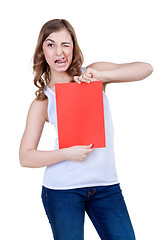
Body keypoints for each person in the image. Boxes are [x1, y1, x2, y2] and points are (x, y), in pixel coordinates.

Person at [19, 19, 153, 240]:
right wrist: (67, 153)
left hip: (106, 187)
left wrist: (101, 77)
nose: (59, 52)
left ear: (74, 47)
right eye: (51, 45)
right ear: (42, 51)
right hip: (62, 191)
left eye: (66, 44)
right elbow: (25, 156)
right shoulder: (44, 100)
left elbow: (146, 69)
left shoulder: (93, 74)